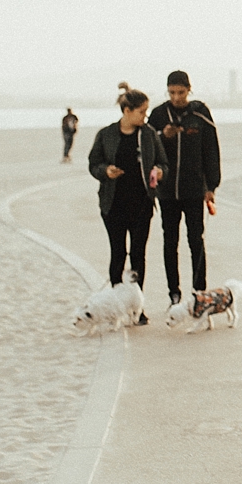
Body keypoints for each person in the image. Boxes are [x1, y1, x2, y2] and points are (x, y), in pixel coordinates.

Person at [87, 87, 168, 319]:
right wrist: (106, 171)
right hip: (113, 204)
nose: (145, 116)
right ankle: (115, 303)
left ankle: (137, 307)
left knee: (138, 255)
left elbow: (164, 163)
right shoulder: (107, 134)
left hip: (142, 204)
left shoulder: (149, 134)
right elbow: (93, 164)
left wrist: (160, 172)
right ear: (127, 110)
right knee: (118, 253)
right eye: (141, 111)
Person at [148, 71, 221, 307]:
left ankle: (199, 291)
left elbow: (211, 150)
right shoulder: (159, 114)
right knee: (170, 241)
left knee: (196, 240)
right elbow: (148, 146)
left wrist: (211, 185)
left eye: (181, 92)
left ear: (189, 89)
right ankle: (174, 293)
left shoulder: (200, 114)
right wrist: (162, 135)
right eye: (172, 92)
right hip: (167, 191)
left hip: (194, 190)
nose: (176, 97)